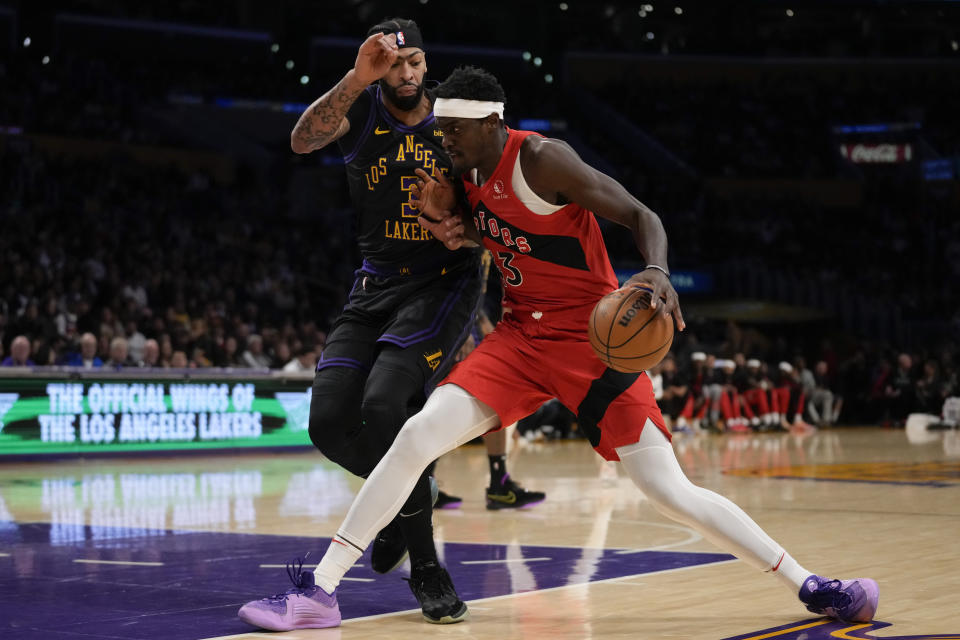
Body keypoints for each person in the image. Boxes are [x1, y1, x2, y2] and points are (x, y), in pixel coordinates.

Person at [237, 66, 878, 631]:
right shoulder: (464, 173)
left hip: (594, 342)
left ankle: (811, 584)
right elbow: (501, 237)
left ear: (490, 123)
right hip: (521, 338)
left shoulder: (542, 158)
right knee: (415, 436)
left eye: (454, 131)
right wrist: (457, 230)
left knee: (667, 489)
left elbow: (641, 215)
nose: (443, 139)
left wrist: (654, 271)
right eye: (442, 130)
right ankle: (319, 592)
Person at [245, 18, 519, 626]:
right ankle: (401, 505)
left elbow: (498, 189)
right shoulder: (361, 110)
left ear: (426, 61)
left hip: (442, 282)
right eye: (391, 63)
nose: (406, 73)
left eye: (413, 61)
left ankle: (426, 566)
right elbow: (300, 140)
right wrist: (355, 76)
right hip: (373, 284)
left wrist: (466, 234)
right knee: (326, 423)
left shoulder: (452, 120)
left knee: (387, 402)